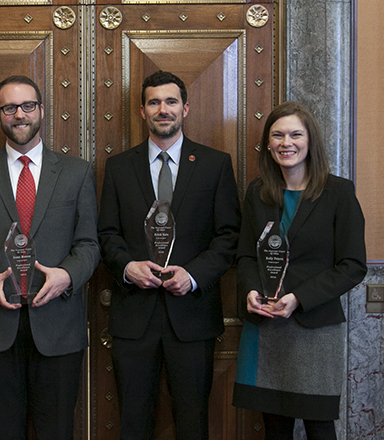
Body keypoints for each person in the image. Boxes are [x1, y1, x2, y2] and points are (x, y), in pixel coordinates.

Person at [0, 75, 100, 440]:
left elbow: (90, 244)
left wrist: (67, 276)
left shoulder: (77, 173)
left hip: (58, 325)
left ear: (41, 111)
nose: (20, 115)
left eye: (28, 106)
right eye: (10, 108)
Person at [97, 70, 241, 439]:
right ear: (142, 112)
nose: (163, 109)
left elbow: (229, 236)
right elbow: (107, 234)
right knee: (133, 421)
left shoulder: (215, 164)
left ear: (185, 108)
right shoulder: (118, 167)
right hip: (134, 317)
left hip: (191, 318)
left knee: (193, 422)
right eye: (154, 102)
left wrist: (192, 276)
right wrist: (128, 267)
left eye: (171, 101)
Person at [231, 101, 367, 440]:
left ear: (310, 142)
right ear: (268, 143)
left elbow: (353, 265)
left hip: (314, 328)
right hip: (267, 327)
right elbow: (245, 257)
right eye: (277, 135)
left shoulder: (338, 192)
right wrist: (250, 290)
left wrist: (299, 298)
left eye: (295, 134)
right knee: (275, 429)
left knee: (319, 427)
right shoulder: (257, 193)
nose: (285, 143)